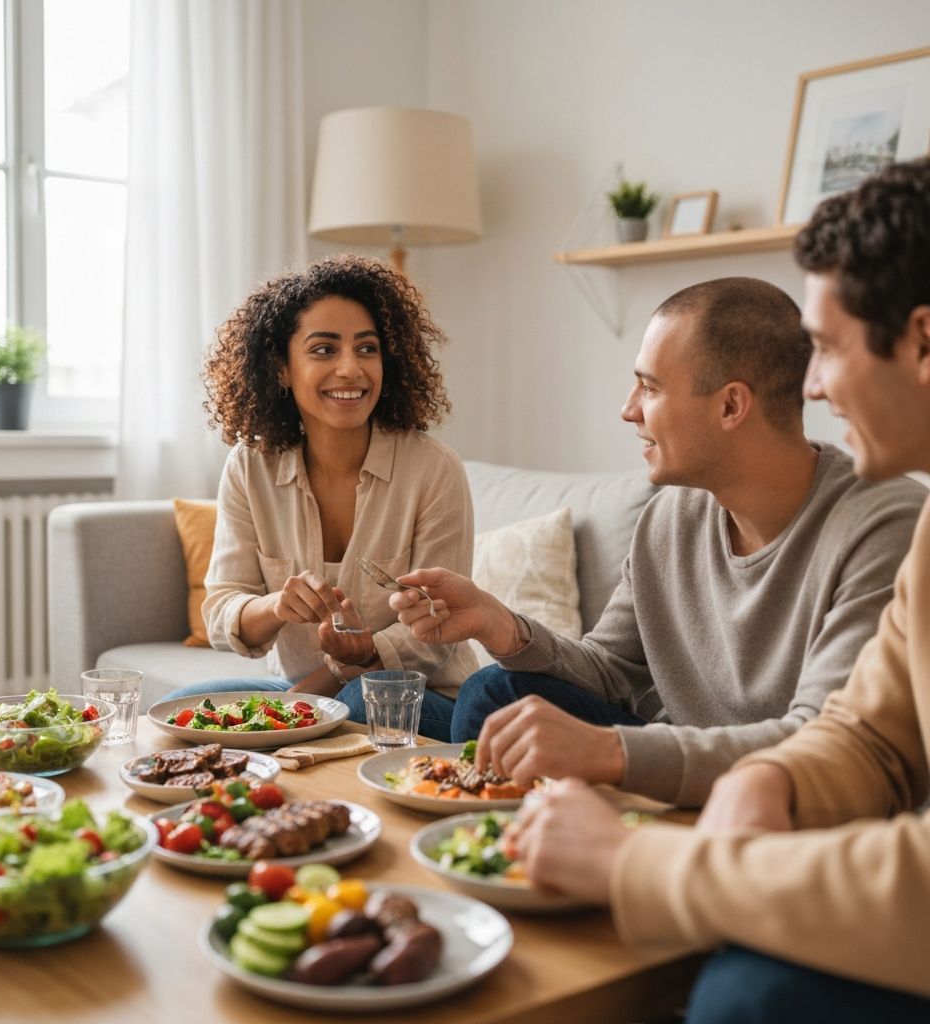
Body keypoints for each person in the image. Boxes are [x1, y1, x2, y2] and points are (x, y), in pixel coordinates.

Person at [511, 157, 930, 1021]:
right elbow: (870, 737)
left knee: (749, 999)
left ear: (921, 340)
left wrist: (638, 865)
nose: (809, 385)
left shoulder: (887, 515)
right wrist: (773, 779)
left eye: (826, 349)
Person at [391, 276, 926, 805]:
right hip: (670, 767)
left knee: (478, 704)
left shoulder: (884, 526)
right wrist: (500, 625)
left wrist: (614, 752)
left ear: (731, 406)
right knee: (462, 696)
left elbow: (822, 745)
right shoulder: (671, 514)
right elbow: (610, 671)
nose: (629, 409)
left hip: (783, 794)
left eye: (650, 387)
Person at [168, 255, 477, 741]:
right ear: (282, 369)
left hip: (425, 697)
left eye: (367, 348)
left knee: (354, 704)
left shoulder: (434, 470)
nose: (350, 369)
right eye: (323, 350)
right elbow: (223, 607)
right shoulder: (251, 467)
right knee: (176, 708)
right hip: (306, 689)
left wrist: (334, 675)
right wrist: (277, 607)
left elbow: (434, 635)